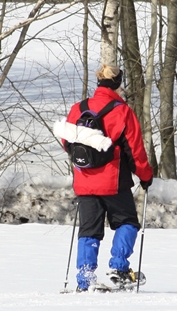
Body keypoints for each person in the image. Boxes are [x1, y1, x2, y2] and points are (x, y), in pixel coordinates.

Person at [60, 64, 153, 292]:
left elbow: (66, 142)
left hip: (84, 182)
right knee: (127, 222)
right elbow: (135, 151)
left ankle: (85, 278)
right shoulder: (122, 111)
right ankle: (119, 269)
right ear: (118, 84)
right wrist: (145, 175)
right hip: (113, 181)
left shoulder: (78, 108)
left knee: (88, 231)